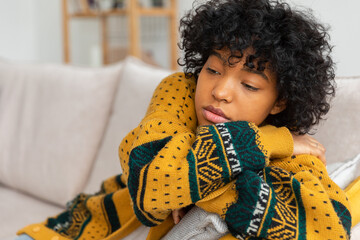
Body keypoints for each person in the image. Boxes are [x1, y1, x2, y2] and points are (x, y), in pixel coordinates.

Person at [16, 0, 352, 239]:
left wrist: (199, 191)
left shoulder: (296, 156)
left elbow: (329, 228)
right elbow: (150, 186)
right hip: (81, 227)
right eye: (213, 69)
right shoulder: (179, 93)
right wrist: (265, 143)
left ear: (279, 101)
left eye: (249, 85)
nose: (219, 91)